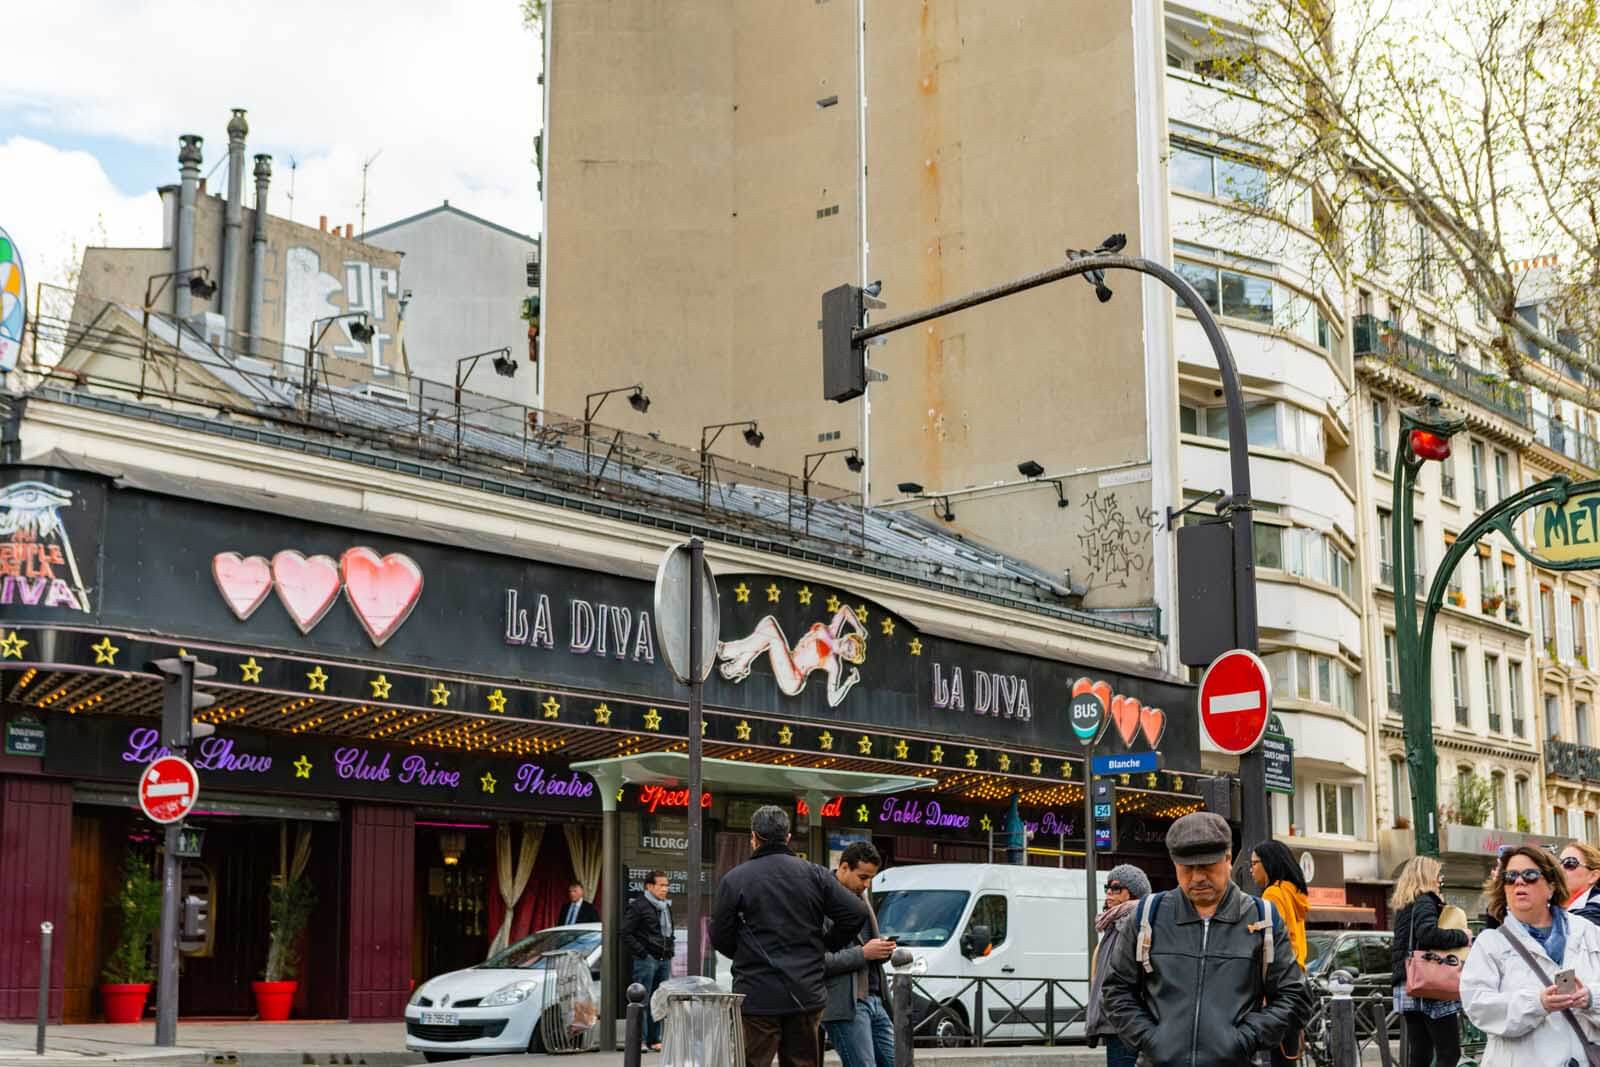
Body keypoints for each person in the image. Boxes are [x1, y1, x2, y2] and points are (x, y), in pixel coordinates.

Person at [1102, 812, 1310, 1066]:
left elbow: (1294, 997)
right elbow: (1116, 990)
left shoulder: (1263, 916)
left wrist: (1243, 1040)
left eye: (1207, 866)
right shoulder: (1148, 915)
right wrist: (1151, 1039)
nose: (1197, 877)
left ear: (1228, 859)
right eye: (1187, 868)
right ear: (1174, 863)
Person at [711, 805, 867, 1067]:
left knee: (753, 1061)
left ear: (754, 838)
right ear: (787, 838)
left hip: (757, 993)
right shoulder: (815, 874)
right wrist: (826, 945)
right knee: (802, 1062)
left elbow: (720, 936)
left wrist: (745, 954)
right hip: (805, 991)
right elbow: (856, 913)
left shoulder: (735, 879)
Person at [1462, 845, 1600, 1066]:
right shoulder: (1490, 943)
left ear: (1551, 886)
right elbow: (1478, 1007)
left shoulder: (1589, 932)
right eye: (1510, 877)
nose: (1519, 882)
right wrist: (1537, 1003)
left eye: (1531, 875)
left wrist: (1590, 998)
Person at [1390, 855, 1470, 1067]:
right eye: (1438, 876)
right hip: (1430, 983)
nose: (1439, 881)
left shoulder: (1404, 905)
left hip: (1407, 983)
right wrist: (1462, 935)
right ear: (1428, 877)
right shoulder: (1426, 900)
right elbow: (1428, 934)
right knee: (1449, 1051)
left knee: (1420, 1052)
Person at [821, 842, 896, 1067]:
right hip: (846, 1003)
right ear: (844, 868)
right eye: (862, 877)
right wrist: (864, 953)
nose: (866, 884)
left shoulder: (860, 897)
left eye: (870, 878)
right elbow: (818, 960)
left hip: (875, 999)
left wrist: (881, 951)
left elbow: (866, 947)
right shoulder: (822, 899)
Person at [1085, 863, 1150, 1067]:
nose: (1109, 893)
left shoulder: (1134, 922)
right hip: (1116, 1022)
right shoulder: (1114, 923)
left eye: (1116, 888)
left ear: (1133, 892)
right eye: (1107, 888)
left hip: (1126, 1024)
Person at [1251, 840, 1310, 1067]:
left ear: (1268, 864)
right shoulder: (1292, 892)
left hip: (1279, 982)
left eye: (1254, 863)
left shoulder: (1273, 894)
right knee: (1288, 1054)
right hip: (1296, 978)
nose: (1250, 869)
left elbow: (1270, 942)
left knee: (1279, 1056)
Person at [622, 870, 674, 1052]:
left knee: (658, 1000)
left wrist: (669, 952)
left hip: (663, 958)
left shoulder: (665, 906)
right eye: (661, 885)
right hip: (647, 959)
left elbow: (668, 933)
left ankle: (654, 1039)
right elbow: (625, 932)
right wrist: (643, 953)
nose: (665, 889)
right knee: (641, 1001)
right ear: (649, 886)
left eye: (666, 885)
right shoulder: (638, 906)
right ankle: (640, 1040)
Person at [1560, 841, 1600, 925]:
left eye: (1569, 863)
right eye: (1558, 863)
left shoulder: (1595, 909)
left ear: (1593, 876)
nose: (1560, 869)